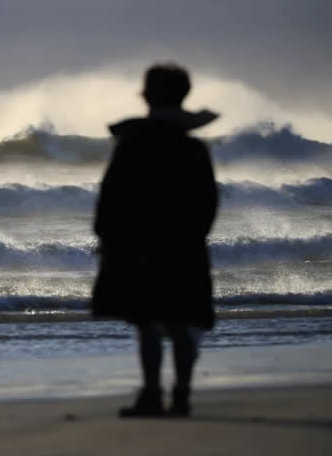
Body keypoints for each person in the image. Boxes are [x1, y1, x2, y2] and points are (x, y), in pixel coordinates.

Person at [91, 63, 219, 418]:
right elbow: (207, 201)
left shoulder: (132, 143)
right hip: (184, 245)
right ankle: (181, 394)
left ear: (149, 94)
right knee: (183, 320)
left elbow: (112, 195)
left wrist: (105, 236)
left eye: (146, 87)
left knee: (147, 321)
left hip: (140, 246)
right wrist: (195, 236)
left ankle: (151, 393)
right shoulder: (193, 148)